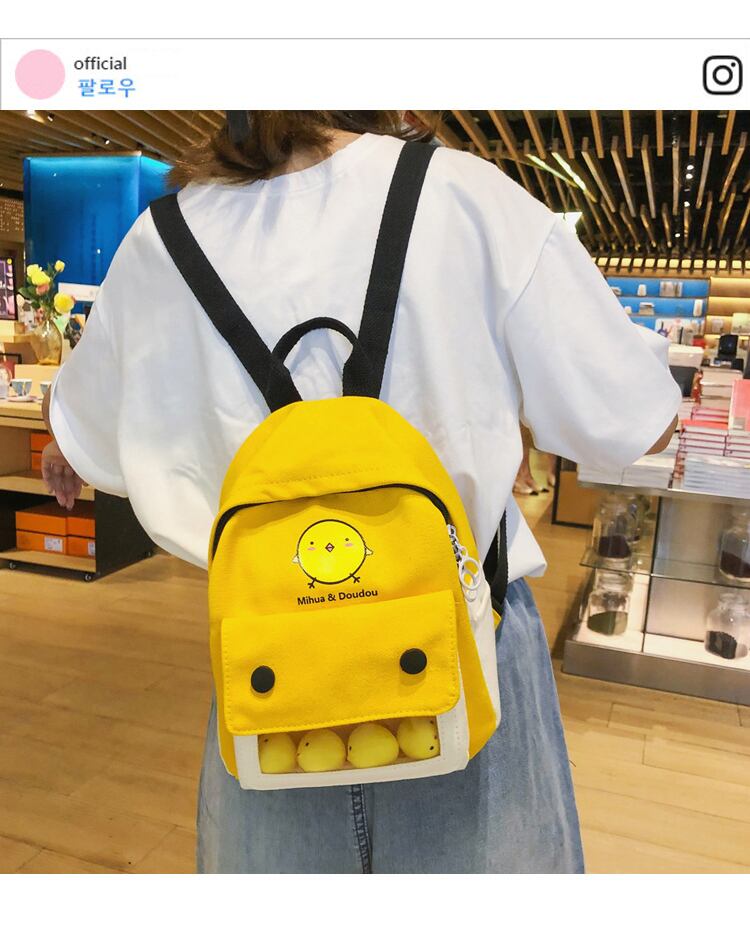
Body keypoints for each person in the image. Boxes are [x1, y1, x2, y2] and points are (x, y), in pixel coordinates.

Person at [41, 111, 679, 874]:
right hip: (463, 647)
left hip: (272, 670)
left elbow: (88, 436)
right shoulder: (469, 199)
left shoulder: (159, 243)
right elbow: (638, 424)